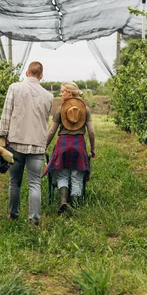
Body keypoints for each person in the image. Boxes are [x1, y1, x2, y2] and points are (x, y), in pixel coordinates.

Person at [0, 61, 54, 225]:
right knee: (34, 183)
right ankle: (34, 220)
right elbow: (44, 118)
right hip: (37, 144)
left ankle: (13, 215)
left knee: (14, 182)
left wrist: (2, 135)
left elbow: (6, 113)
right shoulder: (48, 96)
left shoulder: (15, 88)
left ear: (27, 73)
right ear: (41, 76)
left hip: (16, 142)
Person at [44, 82, 95, 214]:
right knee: (77, 176)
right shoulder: (85, 109)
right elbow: (91, 132)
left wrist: (45, 146)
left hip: (63, 146)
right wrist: (93, 148)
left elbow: (51, 132)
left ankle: (63, 201)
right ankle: (75, 205)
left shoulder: (60, 109)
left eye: (62, 91)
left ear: (69, 93)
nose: (60, 94)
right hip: (79, 146)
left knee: (62, 175)